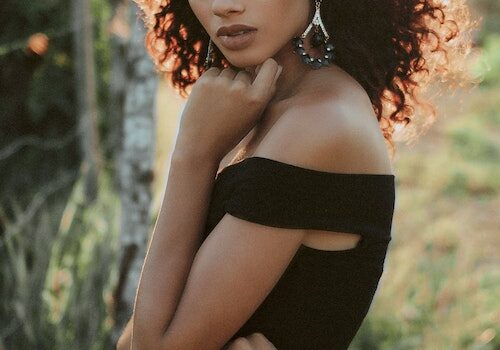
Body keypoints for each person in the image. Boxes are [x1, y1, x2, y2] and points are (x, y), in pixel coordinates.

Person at [117, 0, 474, 349]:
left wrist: (193, 155)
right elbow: (131, 340)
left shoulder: (321, 126)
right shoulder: (252, 113)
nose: (223, 5)